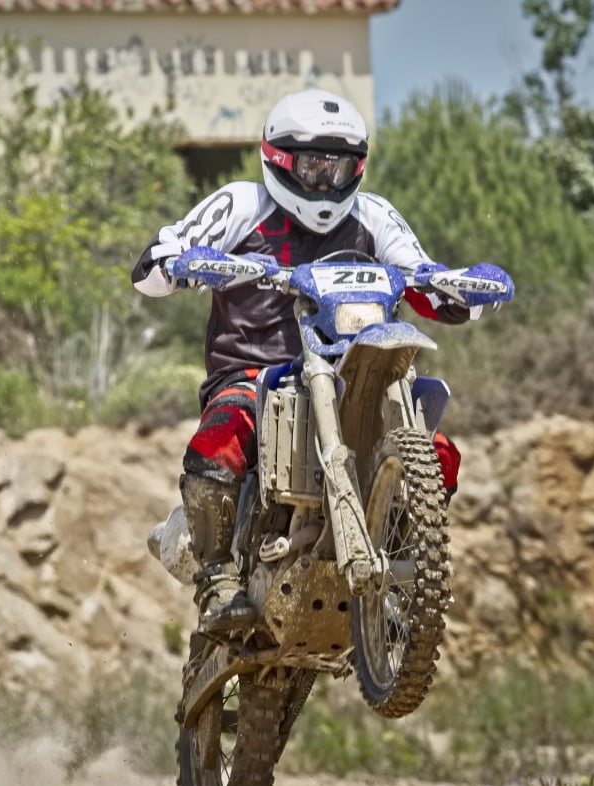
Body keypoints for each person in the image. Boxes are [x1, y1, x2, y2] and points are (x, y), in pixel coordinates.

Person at [132, 88, 482, 636]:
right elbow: (153, 268)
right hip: (254, 374)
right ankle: (218, 578)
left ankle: (400, 566)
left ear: (355, 166)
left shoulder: (373, 215)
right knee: (222, 433)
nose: (324, 180)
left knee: (436, 450)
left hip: (350, 373)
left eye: (336, 167)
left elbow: (422, 277)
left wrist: (457, 286)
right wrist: (177, 261)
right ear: (280, 159)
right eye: (312, 165)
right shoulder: (242, 205)